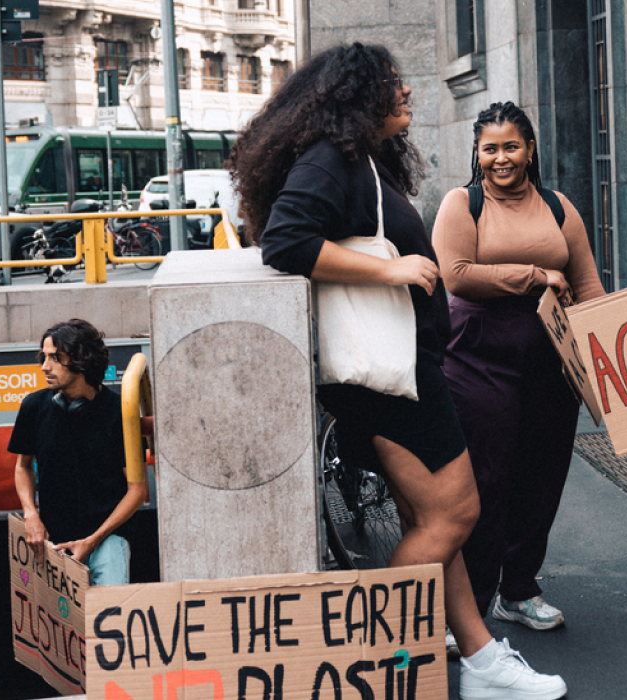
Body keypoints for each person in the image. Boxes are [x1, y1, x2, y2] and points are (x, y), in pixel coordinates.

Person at [239, 43, 567, 700]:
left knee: (432, 521)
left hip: (397, 372)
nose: (408, 92)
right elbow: (287, 241)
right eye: (393, 84)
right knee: (456, 515)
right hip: (390, 379)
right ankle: (374, 664)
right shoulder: (332, 158)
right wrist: (389, 269)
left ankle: (481, 663)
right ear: (359, 95)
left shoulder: (355, 159)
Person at [433, 101, 604, 631]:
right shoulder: (463, 203)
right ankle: (471, 611)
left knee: (544, 474)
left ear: (530, 149)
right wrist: (534, 275)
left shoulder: (558, 207)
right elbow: (455, 275)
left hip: (551, 359)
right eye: (490, 148)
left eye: (512, 146)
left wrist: (605, 354)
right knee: (488, 480)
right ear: (477, 153)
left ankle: (519, 589)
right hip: (480, 355)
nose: (501, 158)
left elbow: (589, 285)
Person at [10, 319, 146, 586]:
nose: (44, 367)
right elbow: (22, 466)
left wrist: (93, 540)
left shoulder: (120, 411)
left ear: (82, 361)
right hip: (53, 540)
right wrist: (30, 514)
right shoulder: (33, 406)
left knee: (111, 622)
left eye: (55, 358)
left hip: (108, 537)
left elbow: (137, 490)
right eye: (44, 357)